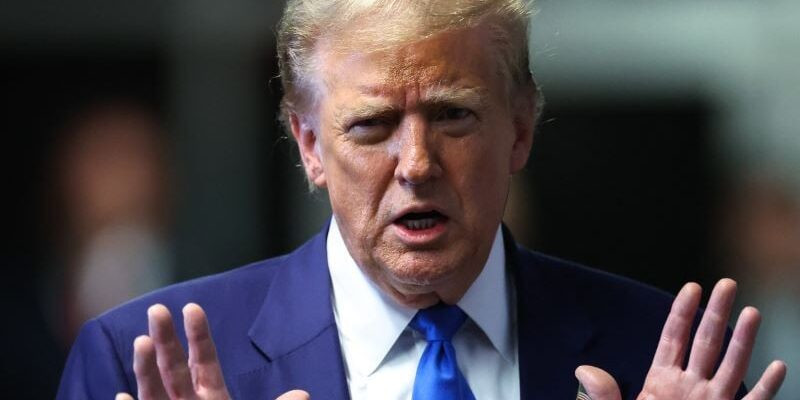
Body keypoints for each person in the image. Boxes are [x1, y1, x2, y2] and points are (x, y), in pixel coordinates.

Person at [57, 0, 787, 399]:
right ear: (310, 146)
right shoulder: (141, 366)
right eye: (372, 126)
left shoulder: (673, 361)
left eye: (452, 115)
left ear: (522, 130)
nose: (416, 164)